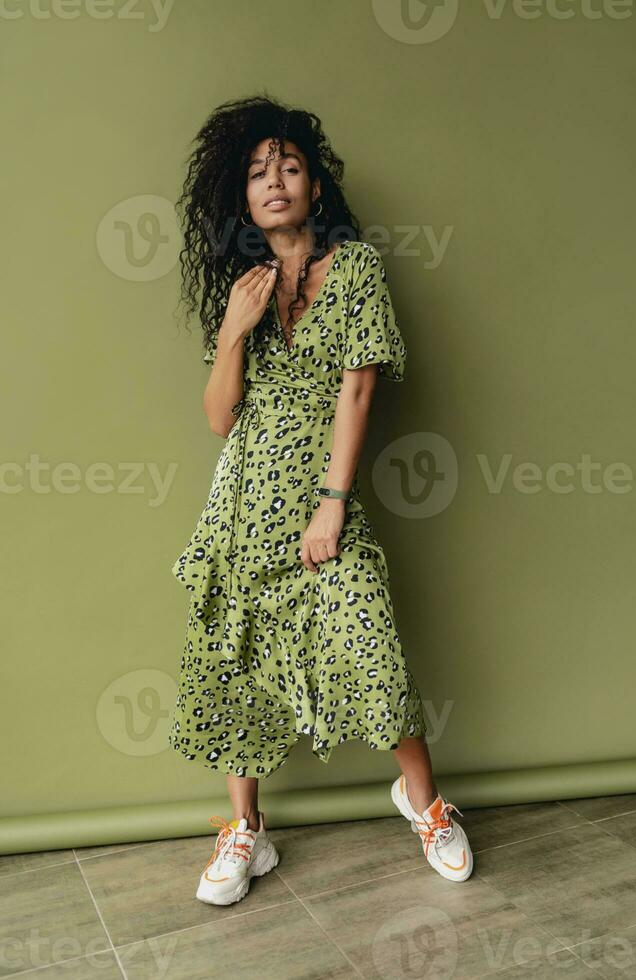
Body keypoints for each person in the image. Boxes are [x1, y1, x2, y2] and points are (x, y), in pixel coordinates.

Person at [169, 95, 473, 905]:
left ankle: (426, 804)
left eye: (290, 167)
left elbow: (358, 394)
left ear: (315, 187)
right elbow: (218, 417)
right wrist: (234, 331)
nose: (275, 182)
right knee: (233, 665)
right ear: (242, 196)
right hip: (241, 505)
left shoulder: (356, 268)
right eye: (259, 172)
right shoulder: (246, 285)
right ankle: (247, 833)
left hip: (316, 499)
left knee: (371, 640)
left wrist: (333, 502)